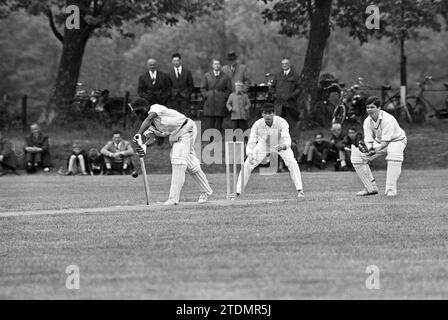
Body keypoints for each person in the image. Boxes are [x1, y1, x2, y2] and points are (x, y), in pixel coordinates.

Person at [134, 103, 213, 206]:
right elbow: (152, 139)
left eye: (141, 111)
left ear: (146, 107)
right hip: (174, 136)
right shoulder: (146, 126)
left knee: (178, 161)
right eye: (137, 113)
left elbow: (149, 118)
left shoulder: (155, 108)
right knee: (189, 164)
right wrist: (144, 146)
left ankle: (173, 199)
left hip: (187, 128)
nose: (139, 114)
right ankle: (206, 191)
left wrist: (138, 133)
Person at [235, 103, 304, 198]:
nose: (268, 116)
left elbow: (287, 139)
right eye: (265, 113)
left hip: (279, 143)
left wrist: (283, 146)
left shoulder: (282, 122)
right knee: (247, 164)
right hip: (264, 144)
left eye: (270, 113)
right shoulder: (257, 124)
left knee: (292, 162)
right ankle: (237, 192)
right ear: (262, 114)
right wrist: (250, 154)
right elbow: (252, 141)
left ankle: (300, 190)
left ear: (274, 113)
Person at [351, 96, 407, 197]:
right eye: (367, 107)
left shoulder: (388, 119)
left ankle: (390, 190)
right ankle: (370, 188)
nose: (369, 110)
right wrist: (368, 149)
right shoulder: (367, 121)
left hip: (397, 140)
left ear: (379, 107)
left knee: (394, 157)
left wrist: (374, 149)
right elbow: (368, 140)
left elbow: (385, 142)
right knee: (358, 157)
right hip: (380, 141)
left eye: (372, 107)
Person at [271, 58, 301, 139]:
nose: (284, 65)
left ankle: (292, 139)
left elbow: (299, 88)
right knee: (278, 122)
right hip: (279, 104)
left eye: (286, 63)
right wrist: (275, 95)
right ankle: (278, 138)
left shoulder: (295, 76)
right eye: (283, 64)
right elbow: (272, 87)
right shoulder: (278, 75)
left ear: (289, 64)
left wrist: (291, 96)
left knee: (291, 122)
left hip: (290, 104)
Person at [201, 59, 232, 132]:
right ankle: (211, 140)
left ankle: (217, 140)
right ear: (212, 65)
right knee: (210, 123)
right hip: (210, 102)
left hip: (220, 103)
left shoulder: (225, 76)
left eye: (218, 64)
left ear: (220, 65)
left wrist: (223, 96)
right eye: (215, 64)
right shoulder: (207, 75)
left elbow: (229, 90)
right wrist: (207, 95)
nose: (217, 65)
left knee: (219, 123)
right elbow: (203, 89)